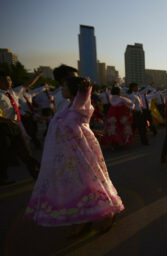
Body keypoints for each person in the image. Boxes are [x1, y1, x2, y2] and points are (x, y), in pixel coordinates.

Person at [25, 77, 124, 236]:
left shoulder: (80, 103)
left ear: (74, 90)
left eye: (64, 85)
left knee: (92, 183)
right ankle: (84, 219)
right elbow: (70, 122)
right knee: (77, 188)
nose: (61, 89)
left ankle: (108, 213)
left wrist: (84, 89)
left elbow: (83, 101)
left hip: (81, 154)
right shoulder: (67, 106)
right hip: (66, 156)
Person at [0, 70, 43, 185]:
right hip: (3, 129)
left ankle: (36, 175)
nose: (9, 82)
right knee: (3, 155)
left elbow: (26, 85)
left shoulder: (13, 92)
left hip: (15, 127)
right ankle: (2, 178)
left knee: (26, 152)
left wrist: (37, 75)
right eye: (6, 80)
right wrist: (7, 121)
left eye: (10, 79)